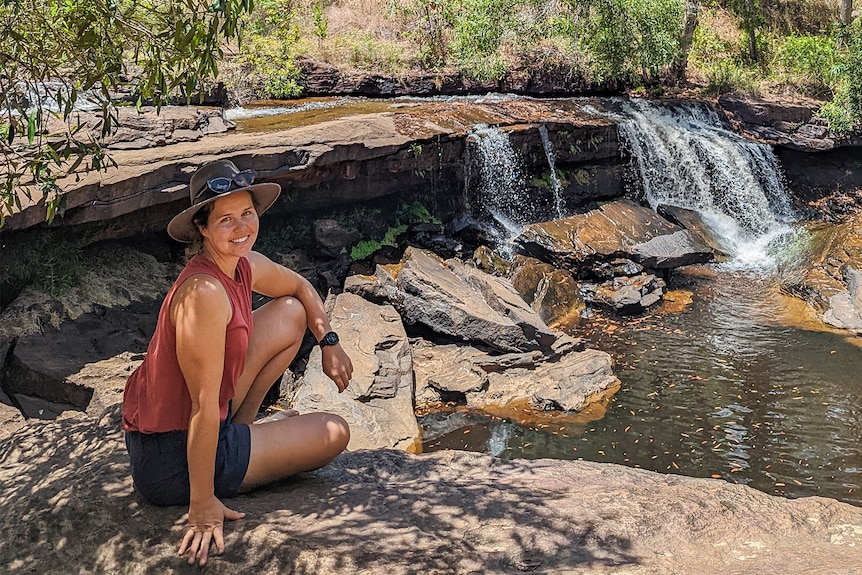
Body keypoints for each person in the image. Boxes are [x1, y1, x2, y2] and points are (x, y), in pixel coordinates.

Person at [122, 160, 352, 566]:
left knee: (290, 313)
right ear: (202, 229)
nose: (242, 226)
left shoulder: (242, 265)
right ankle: (237, 449)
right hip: (171, 457)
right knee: (334, 433)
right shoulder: (205, 293)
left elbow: (299, 286)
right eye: (226, 219)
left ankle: (244, 431)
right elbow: (202, 407)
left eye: (247, 213)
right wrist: (203, 502)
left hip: (204, 422)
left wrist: (328, 341)